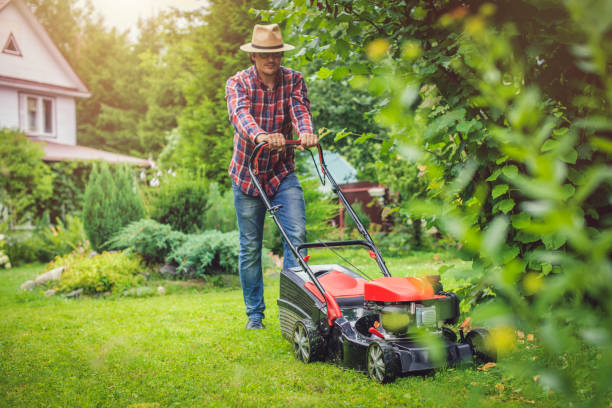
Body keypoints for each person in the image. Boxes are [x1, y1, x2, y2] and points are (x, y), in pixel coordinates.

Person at [225, 24, 318, 330]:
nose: (271, 59)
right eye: (264, 54)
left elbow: (298, 108)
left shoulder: (293, 79)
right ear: (253, 55)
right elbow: (240, 117)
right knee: (251, 247)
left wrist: (305, 131)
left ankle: (292, 312)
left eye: (276, 53)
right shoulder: (237, 83)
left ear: (281, 54)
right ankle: (255, 317)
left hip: (281, 174)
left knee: (296, 239)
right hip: (247, 176)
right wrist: (262, 135)